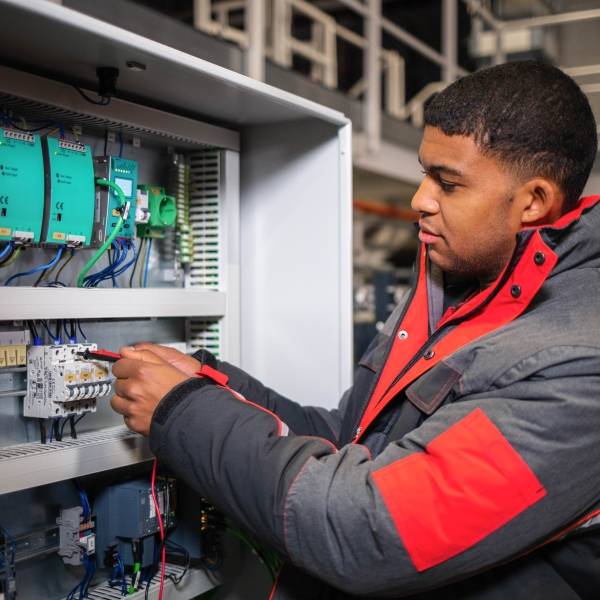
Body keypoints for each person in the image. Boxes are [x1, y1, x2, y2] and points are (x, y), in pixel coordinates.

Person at [110, 61, 600, 599]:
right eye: (424, 172)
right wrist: (210, 383)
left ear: (533, 201)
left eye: (448, 183)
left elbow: (370, 530)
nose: (419, 199)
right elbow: (355, 438)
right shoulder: (459, 288)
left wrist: (185, 413)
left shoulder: (579, 366)